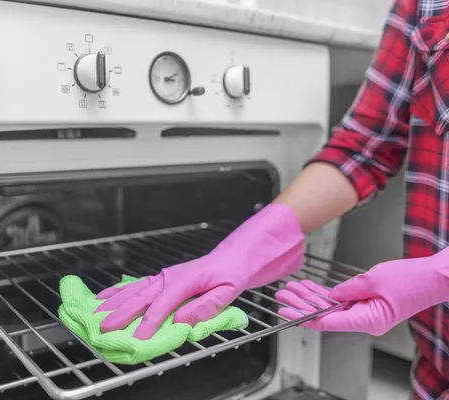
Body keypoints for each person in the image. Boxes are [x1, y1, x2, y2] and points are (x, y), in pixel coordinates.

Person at [96, 0, 449, 397]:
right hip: (435, 368)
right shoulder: (422, 5)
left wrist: (441, 275)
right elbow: (365, 148)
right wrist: (247, 246)